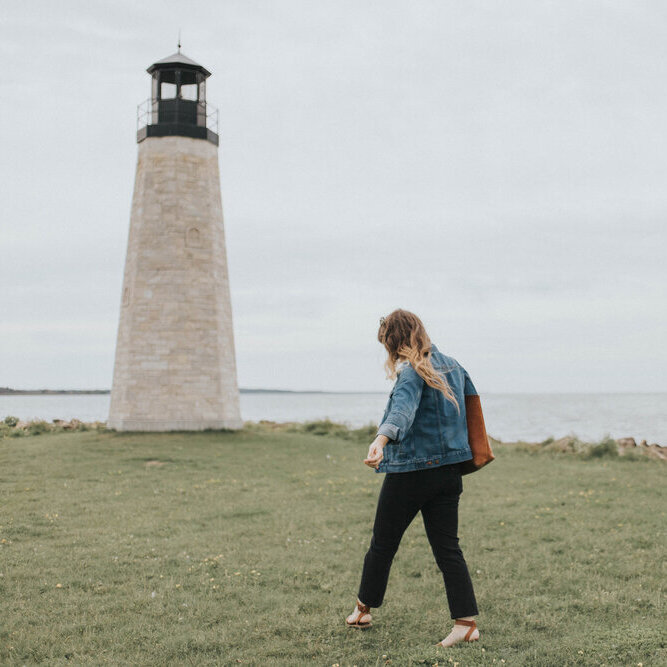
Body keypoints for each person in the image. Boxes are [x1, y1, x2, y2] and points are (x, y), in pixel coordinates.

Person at [345, 309, 481, 648]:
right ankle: (466, 623)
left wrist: (380, 441)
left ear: (394, 342)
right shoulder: (453, 365)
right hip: (450, 472)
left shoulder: (411, 373)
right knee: (449, 549)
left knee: (382, 544)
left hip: (413, 473)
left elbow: (401, 411)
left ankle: (362, 610)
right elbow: (472, 406)